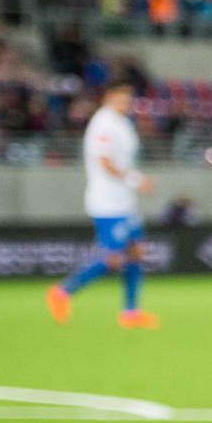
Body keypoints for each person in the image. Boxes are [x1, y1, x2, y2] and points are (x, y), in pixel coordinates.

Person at [47, 79, 158, 329]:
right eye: (121, 97)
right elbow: (105, 162)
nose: (126, 103)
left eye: (128, 98)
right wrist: (136, 180)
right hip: (107, 202)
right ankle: (62, 291)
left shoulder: (122, 122)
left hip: (124, 201)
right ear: (107, 97)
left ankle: (130, 313)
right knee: (113, 259)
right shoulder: (103, 123)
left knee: (136, 252)